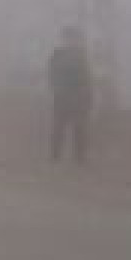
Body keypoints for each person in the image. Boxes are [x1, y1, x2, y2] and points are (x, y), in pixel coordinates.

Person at [48, 26, 94, 164]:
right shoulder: (57, 54)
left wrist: (88, 97)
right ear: (64, 39)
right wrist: (56, 88)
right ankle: (55, 156)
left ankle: (80, 157)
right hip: (62, 97)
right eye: (69, 37)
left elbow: (87, 78)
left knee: (79, 128)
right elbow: (52, 74)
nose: (71, 41)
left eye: (74, 38)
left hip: (78, 97)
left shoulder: (82, 55)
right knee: (58, 127)